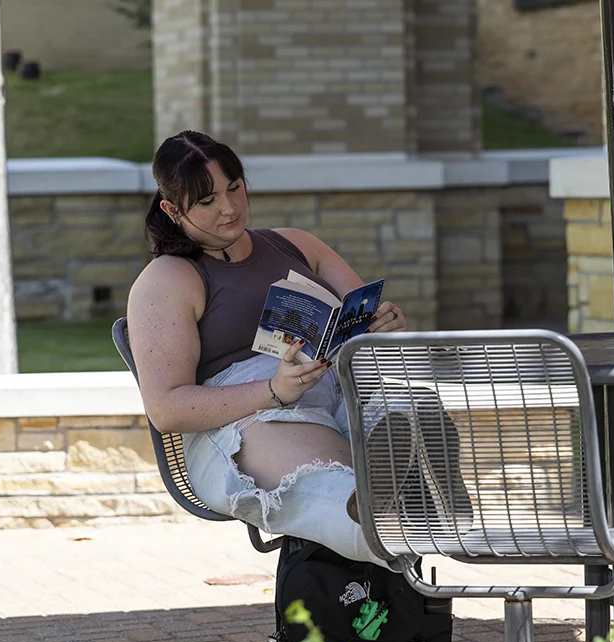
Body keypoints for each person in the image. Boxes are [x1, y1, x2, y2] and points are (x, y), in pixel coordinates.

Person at [126, 130, 416, 568]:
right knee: (338, 494)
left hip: (340, 386)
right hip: (250, 413)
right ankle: (390, 508)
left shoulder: (296, 244)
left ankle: (415, 485)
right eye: (206, 201)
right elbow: (166, 408)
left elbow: (364, 328)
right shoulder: (167, 279)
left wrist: (384, 325)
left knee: (407, 405)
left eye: (235, 187)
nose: (229, 207)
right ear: (172, 209)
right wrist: (274, 390)